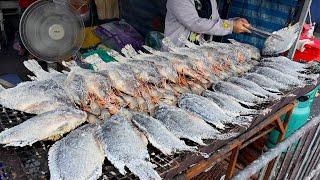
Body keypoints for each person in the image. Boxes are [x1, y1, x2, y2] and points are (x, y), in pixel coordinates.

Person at [164, 0, 251, 48]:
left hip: (198, 56)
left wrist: (234, 22)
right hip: (177, 54)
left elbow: (215, 22)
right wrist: (231, 26)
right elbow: (195, 24)